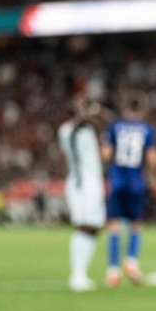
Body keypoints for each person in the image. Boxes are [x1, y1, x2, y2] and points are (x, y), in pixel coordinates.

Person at [101, 93, 156, 287]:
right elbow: (152, 158)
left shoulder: (114, 126)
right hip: (136, 182)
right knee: (136, 224)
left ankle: (113, 271)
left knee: (114, 225)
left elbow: (106, 154)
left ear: (125, 108)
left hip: (117, 181)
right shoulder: (147, 129)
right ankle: (132, 262)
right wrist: (153, 176)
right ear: (142, 110)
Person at [58, 97, 108, 292]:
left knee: (94, 227)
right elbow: (78, 125)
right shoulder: (67, 130)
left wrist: (99, 110)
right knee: (84, 226)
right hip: (80, 185)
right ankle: (77, 275)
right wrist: (83, 112)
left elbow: (110, 121)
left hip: (94, 184)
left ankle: (81, 273)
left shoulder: (89, 131)